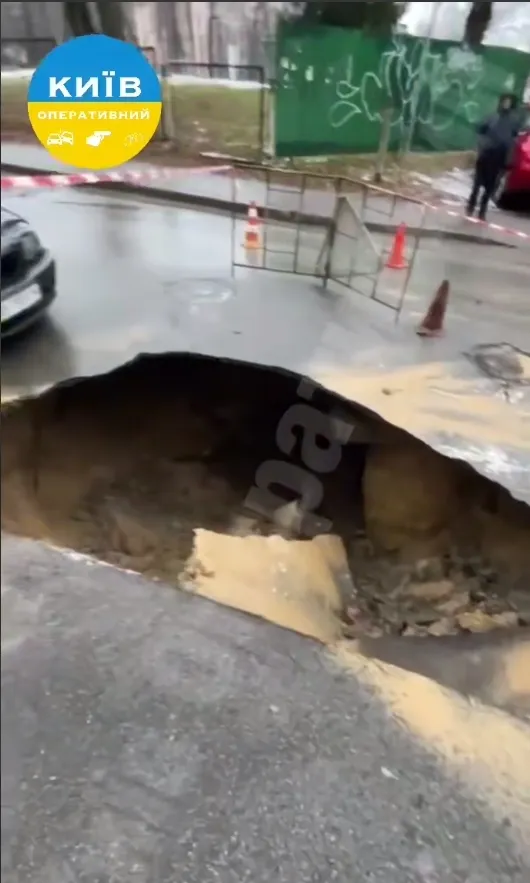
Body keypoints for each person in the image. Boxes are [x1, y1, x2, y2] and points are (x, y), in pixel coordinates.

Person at [466, 93, 521, 221]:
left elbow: (514, 140)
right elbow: (480, 130)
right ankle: (471, 205)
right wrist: (482, 145)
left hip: (499, 157)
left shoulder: (514, 121)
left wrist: (509, 159)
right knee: (477, 183)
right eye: (504, 101)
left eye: (508, 102)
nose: (506, 104)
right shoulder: (492, 117)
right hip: (486, 154)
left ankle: (482, 210)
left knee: (490, 186)